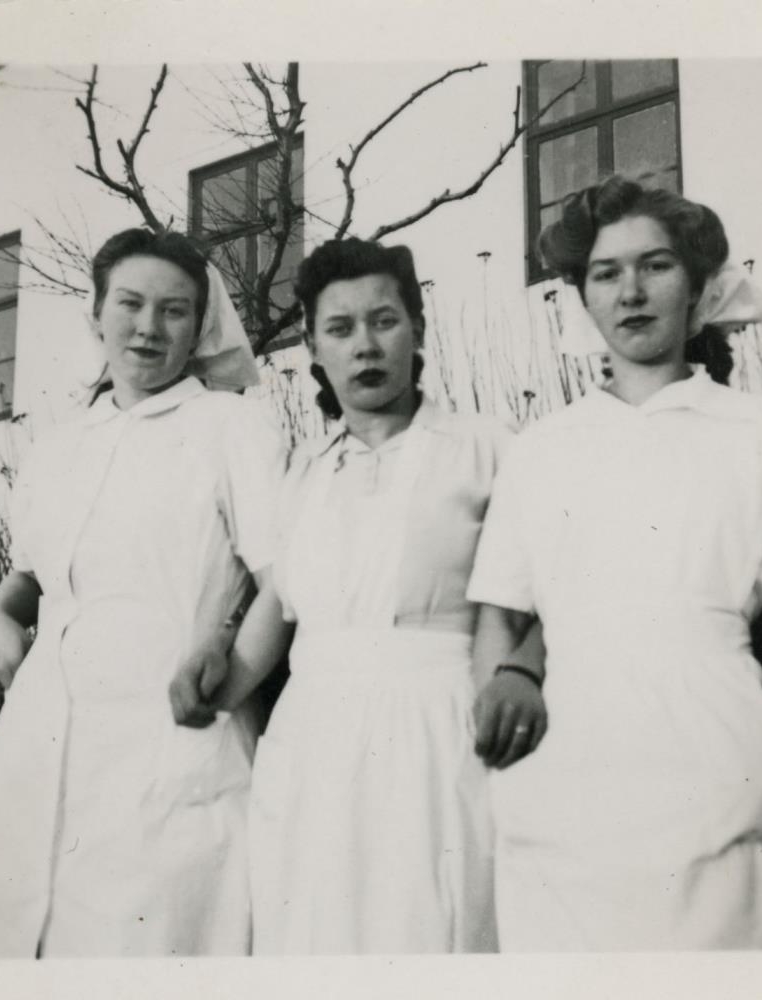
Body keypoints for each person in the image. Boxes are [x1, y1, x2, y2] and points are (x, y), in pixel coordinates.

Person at [467, 176, 762, 950]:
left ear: (696, 285)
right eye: (606, 273)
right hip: (569, 772)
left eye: (655, 266)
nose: (631, 292)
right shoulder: (541, 449)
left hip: (723, 749)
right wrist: (503, 735)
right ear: (583, 296)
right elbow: (500, 611)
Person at [171, 237, 543, 953]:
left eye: (384, 321)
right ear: (313, 348)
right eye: (340, 329)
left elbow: (555, 588)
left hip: (443, 728)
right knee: (316, 934)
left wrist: (522, 670)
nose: (365, 346)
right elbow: (278, 607)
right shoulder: (304, 471)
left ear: (418, 330)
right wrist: (221, 678)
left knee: (436, 928)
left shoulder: (490, 446)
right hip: (314, 742)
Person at [0, 228, 287, 957]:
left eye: (174, 310)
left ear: (200, 325)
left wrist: (227, 686)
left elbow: (284, 582)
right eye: (130, 303)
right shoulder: (59, 447)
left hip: (173, 745)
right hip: (39, 745)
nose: (149, 327)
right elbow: (31, 578)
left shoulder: (233, 427)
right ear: (95, 313)